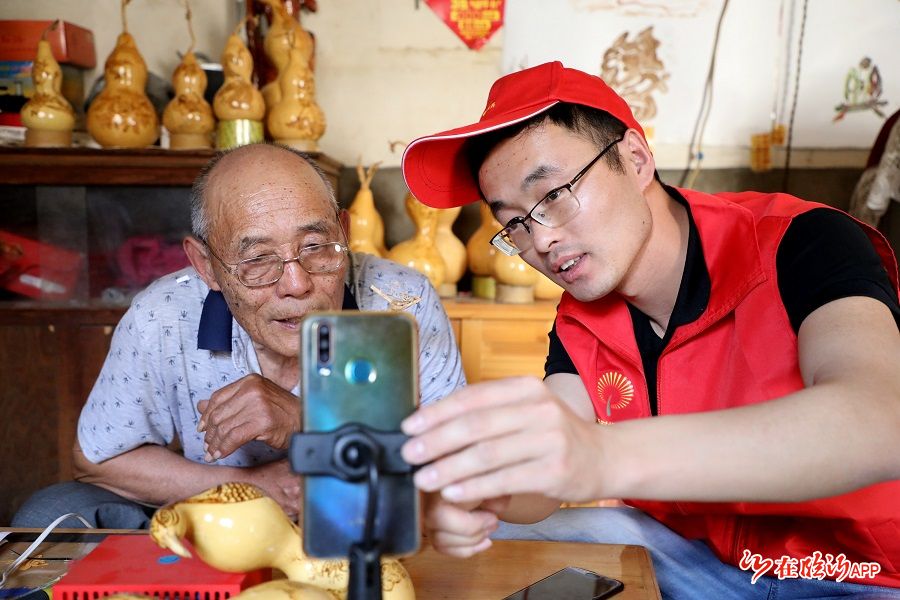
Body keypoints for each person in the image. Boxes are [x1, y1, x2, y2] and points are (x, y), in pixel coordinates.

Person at [398, 62, 900, 598]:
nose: (539, 242)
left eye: (552, 196)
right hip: (695, 559)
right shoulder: (581, 315)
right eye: (515, 224)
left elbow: (881, 416)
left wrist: (603, 456)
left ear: (635, 160)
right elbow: (543, 478)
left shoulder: (802, 242)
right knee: (489, 538)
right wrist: (470, 493)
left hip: (859, 574)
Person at [13, 143, 465, 528]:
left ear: (344, 233)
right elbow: (97, 458)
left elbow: (455, 463)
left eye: (315, 247)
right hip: (217, 519)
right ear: (206, 266)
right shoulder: (163, 315)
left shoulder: (400, 301)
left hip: (364, 522)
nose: (296, 284)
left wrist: (307, 423)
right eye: (256, 261)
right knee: (50, 511)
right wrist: (251, 488)